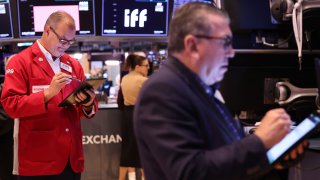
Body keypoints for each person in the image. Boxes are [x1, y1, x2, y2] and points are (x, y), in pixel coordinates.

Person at [133, 2, 307, 180]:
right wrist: (259, 141)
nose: (231, 53)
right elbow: (189, 172)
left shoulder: (204, 89)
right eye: (225, 42)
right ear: (192, 45)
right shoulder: (163, 91)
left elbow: (228, 155)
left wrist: (274, 155)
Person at [1, 11, 97, 180]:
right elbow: (11, 105)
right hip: (39, 160)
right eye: (62, 40)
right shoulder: (21, 61)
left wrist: (88, 102)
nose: (66, 45)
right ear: (47, 31)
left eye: (70, 41)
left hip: (71, 158)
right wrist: (48, 93)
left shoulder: (73, 65)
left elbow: (85, 108)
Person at [118, 54, 149, 180]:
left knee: (127, 151)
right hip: (141, 117)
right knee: (144, 152)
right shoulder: (143, 81)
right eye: (146, 66)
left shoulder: (124, 78)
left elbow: (120, 101)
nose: (148, 68)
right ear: (137, 67)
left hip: (127, 116)